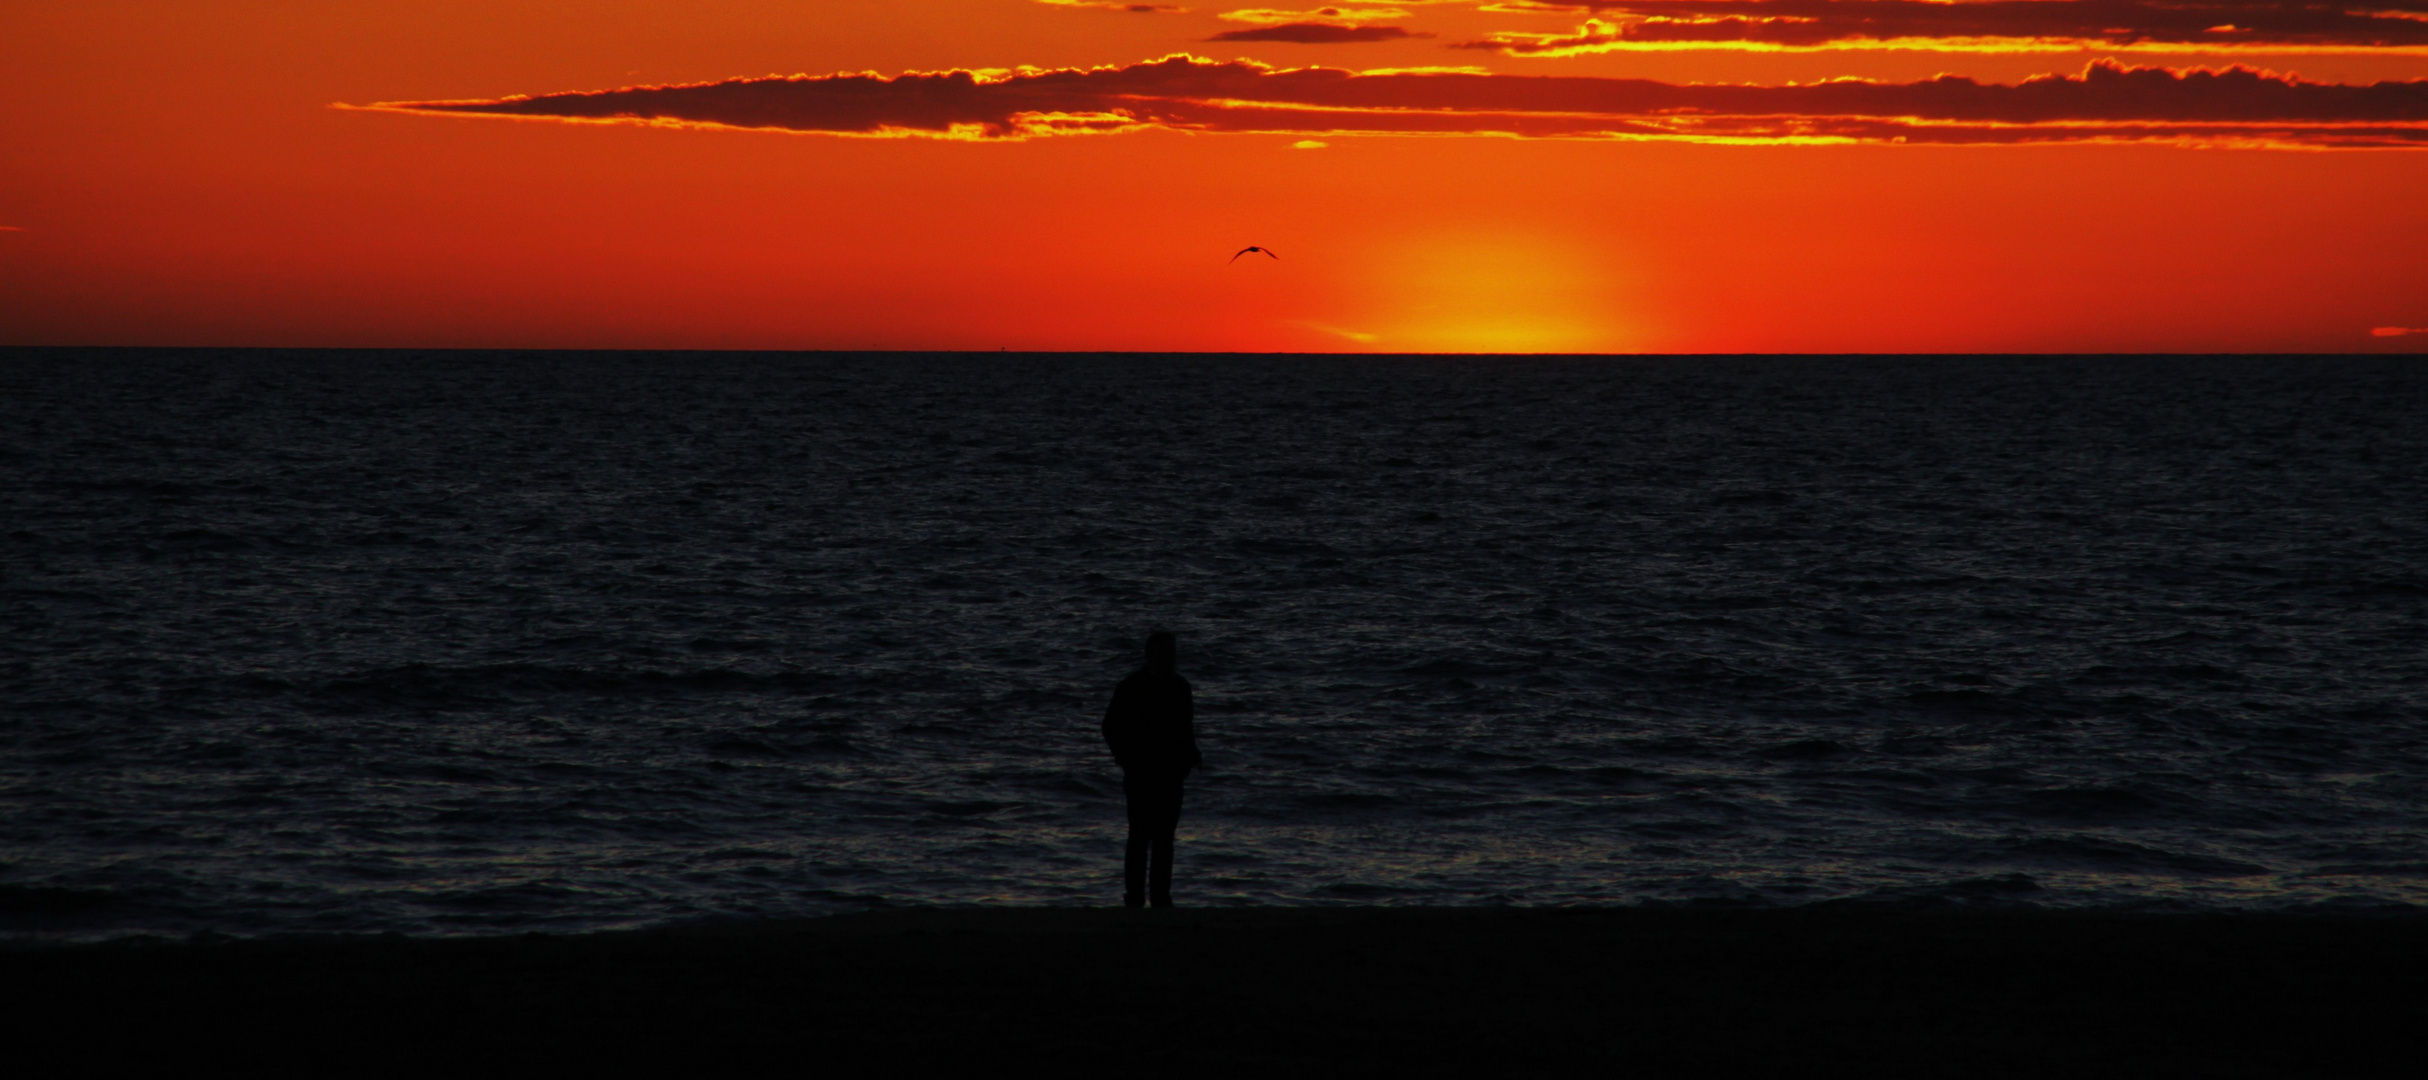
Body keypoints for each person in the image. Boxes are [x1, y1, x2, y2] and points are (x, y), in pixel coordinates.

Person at [1102, 630, 1201, 908]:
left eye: (1172, 653)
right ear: (1151, 655)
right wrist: (1126, 759)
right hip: (1141, 774)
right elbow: (1110, 727)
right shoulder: (1131, 687)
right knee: (1140, 838)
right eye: (1165, 653)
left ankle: (1160, 898)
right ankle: (1134, 898)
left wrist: (1191, 756)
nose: (1170, 659)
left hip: (1170, 774)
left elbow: (1186, 729)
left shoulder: (1181, 688)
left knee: (1164, 841)